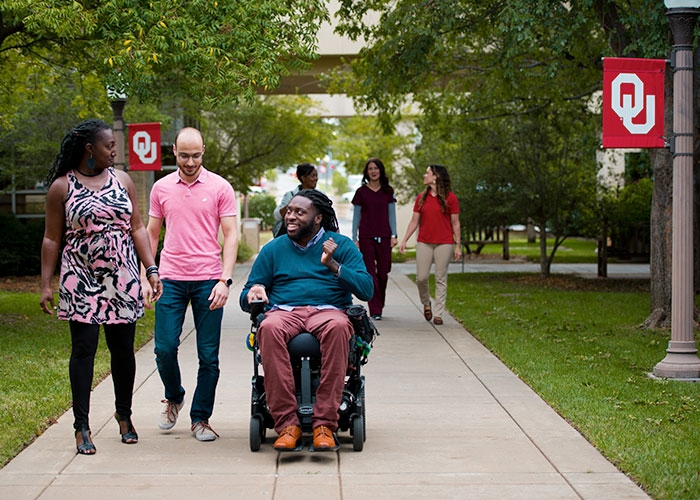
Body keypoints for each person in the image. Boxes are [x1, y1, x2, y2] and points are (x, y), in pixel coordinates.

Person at [39, 119, 162, 455]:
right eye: (109, 146)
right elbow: (51, 238)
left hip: (121, 277)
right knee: (84, 349)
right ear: (89, 149)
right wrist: (46, 284)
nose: (114, 151)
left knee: (123, 349)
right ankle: (81, 425)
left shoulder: (122, 181)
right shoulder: (62, 187)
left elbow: (137, 227)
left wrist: (150, 268)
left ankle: (124, 416)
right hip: (80, 276)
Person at [240, 189, 373, 451]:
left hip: (328, 311)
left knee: (338, 326)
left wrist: (333, 266)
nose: (290, 217)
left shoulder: (341, 245)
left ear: (318, 218)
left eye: (299, 212)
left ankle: (324, 424)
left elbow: (366, 289)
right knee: (267, 326)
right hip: (283, 312)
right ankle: (288, 424)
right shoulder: (274, 249)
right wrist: (253, 296)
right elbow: (247, 295)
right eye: (288, 211)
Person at [143, 127, 238, 442]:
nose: (190, 161)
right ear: (174, 151)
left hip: (209, 279)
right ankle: (175, 395)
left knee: (208, 356)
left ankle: (200, 418)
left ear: (204, 151)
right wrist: (148, 273)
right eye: (184, 155)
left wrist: (225, 279)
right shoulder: (161, 188)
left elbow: (231, 234)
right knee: (164, 348)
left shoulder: (220, 187)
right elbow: (151, 233)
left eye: (196, 155)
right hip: (170, 277)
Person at [399, 164, 461, 326]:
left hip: (445, 243)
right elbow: (414, 221)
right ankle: (426, 303)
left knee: (441, 278)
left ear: (436, 176)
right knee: (421, 278)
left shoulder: (451, 198)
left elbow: (455, 223)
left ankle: (439, 313)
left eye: (427, 173)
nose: (425, 176)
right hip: (424, 242)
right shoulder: (422, 198)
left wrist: (458, 245)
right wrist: (405, 239)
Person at [351, 158, 398, 320]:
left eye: (376, 168)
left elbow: (392, 214)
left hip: (385, 236)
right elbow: (356, 217)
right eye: (370, 169)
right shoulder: (361, 192)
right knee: (370, 274)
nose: (373, 171)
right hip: (366, 237)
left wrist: (394, 235)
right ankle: (375, 309)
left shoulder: (388, 191)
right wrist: (354, 238)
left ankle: (380, 301)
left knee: (383, 273)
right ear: (367, 172)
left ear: (381, 171)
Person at [272, 163, 318, 237]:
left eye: (316, 175)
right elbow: (277, 216)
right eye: (313, 176)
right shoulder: (291, 195)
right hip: (293, 237)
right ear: (303, 178)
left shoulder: (320, 196)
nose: (316, 178)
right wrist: (292, 202)